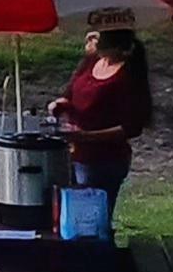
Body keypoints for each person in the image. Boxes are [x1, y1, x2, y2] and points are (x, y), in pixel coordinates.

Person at [57, 21, 152, 202]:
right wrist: (60, 105)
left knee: (93, 213)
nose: (91, 45)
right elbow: (70, 94)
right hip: (73, 153)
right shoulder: (91, 62)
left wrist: (87, 136)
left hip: (104, 159)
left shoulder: (128, 76)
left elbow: (132, 127)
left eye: (97, 41)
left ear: (115, 46)